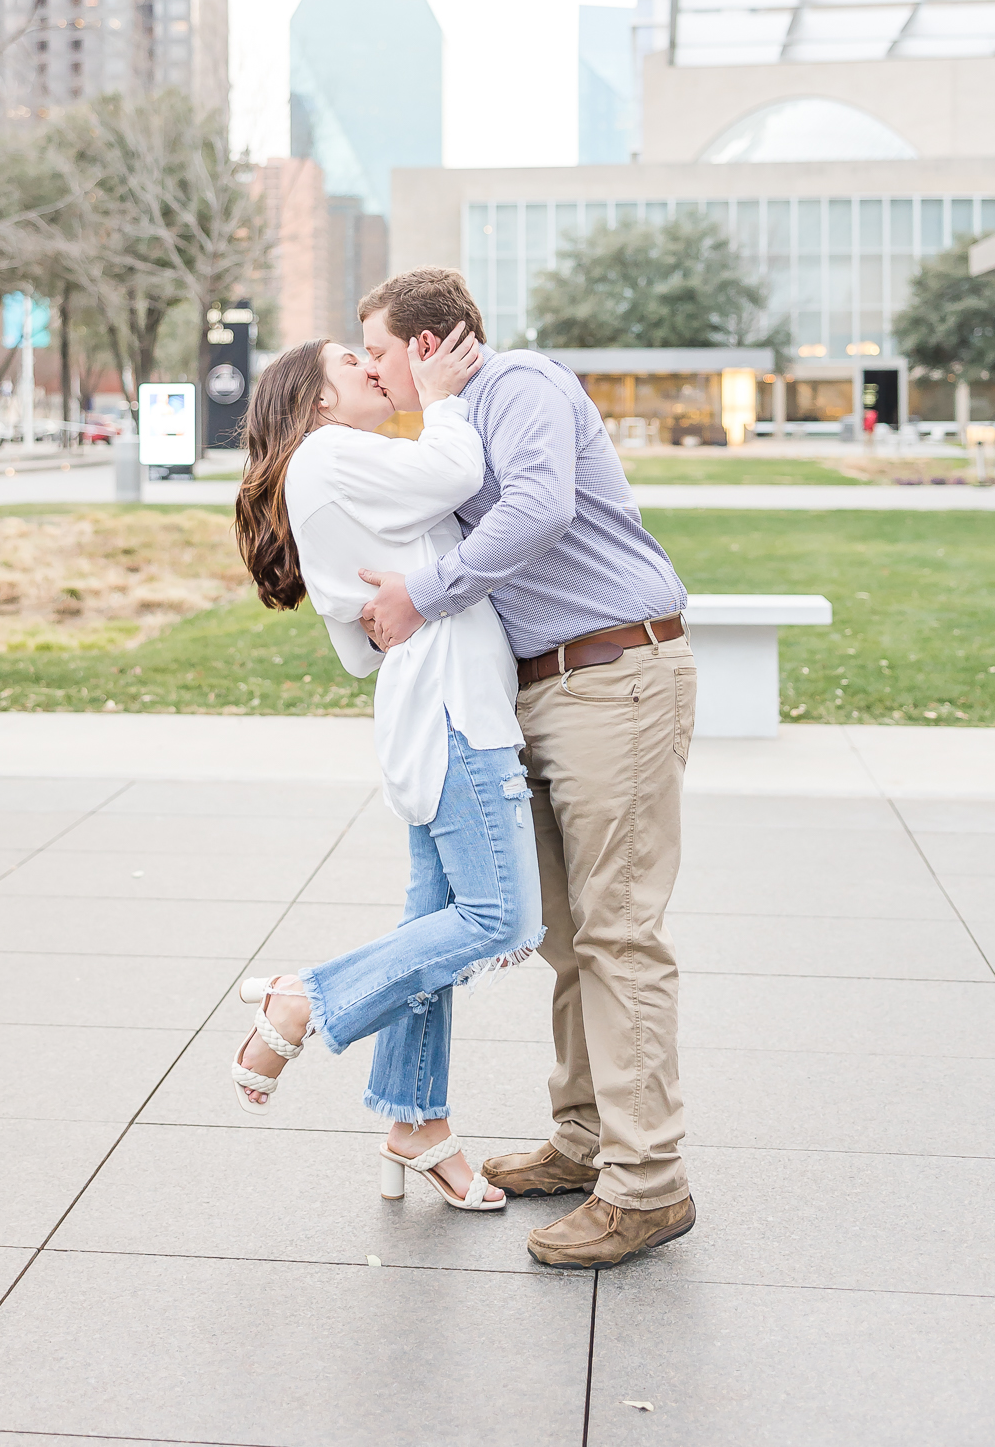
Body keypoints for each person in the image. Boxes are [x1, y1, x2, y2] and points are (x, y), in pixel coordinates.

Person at [357, 267, 697, 1270]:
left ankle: (649, 1185)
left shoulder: (524, 386)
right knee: (563, 934)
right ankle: (587, 1140)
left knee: (619, 933)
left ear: (425, 343)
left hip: (616, 672)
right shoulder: (454, 424)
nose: (371, 371)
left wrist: (426, 592)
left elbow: (543, 505)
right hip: (540, 693)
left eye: (376, 349)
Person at [231, 325, 544, 1213]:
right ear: (317, 400)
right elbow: (457, 473)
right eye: (352, 363)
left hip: (427, 711)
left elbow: (358, 649)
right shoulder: (330, 452)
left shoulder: (333, 467)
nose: (374, 368)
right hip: (455, 715)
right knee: (498, 917)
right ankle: (303, 1001)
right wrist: (443, 398)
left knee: (433, 929)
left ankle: (416, 1123)